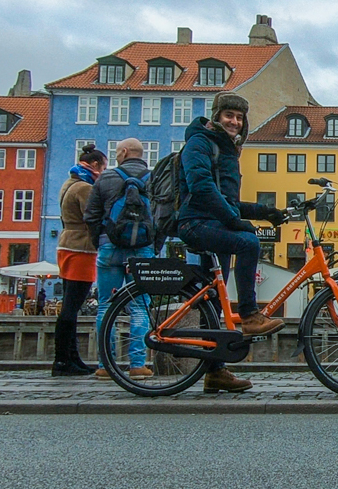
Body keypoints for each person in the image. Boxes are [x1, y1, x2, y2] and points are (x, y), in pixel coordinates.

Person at [177, 91, 286, 393]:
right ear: (216, 116)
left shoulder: (226, 151)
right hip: (196, 223)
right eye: (229, 115)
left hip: (214, 224)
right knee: (248, 242)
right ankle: (250, 316)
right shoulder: (200, 143)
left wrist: (266, 212)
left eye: (239, 117)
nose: (235, 122)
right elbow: (201, 188)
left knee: (214, 302)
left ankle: (215, 373)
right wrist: (235, 222)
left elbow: (230, 202)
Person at [84, 138, 155, 380]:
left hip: (110, 248)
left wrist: (101, 241)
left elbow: (91, 215)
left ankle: (106, 365)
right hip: (143, 250)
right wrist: (153, 244)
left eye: (116, 153)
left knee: (106, 304)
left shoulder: (106, 178)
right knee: (140, 307)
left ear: (124, 152)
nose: (115, 157)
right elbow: (163, 215)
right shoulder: (152, 179)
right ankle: (137, 365)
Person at [53, 143, 107, 376]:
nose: (103, 172)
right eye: (103, 168)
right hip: (81, 249)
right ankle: (64, 360)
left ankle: (70, 359)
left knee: (69, 305)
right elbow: (92, 218)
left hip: (66, 245)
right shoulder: (85, 188)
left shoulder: (69, 183)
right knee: (72, 308)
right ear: (95, 165)